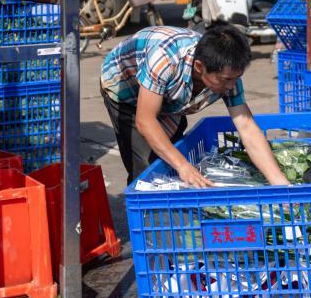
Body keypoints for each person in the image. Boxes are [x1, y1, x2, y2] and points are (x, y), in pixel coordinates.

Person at [100, 23, 291, 188]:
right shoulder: (165, 59)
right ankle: (147, 216)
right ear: (200, 67)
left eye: (236, 78)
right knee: (147, 167)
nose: (231, 86)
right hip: (126, 88)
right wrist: (182, 166)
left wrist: (281, 184)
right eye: (226, 79)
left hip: (169, 99)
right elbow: (145, 121)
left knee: (172, 156)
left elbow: (247, 127)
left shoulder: (227, 76)